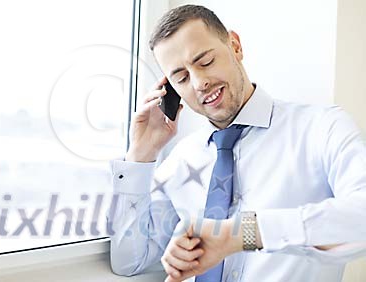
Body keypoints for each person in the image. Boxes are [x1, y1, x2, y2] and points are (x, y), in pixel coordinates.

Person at [107, 4, 366, 282]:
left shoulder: (320, 128)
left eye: (205, 62)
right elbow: (129, 261)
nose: (198, 83)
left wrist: (241, 234)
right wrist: (140, 156)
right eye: (181, 78)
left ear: (235, 46)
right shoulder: (182, 160)